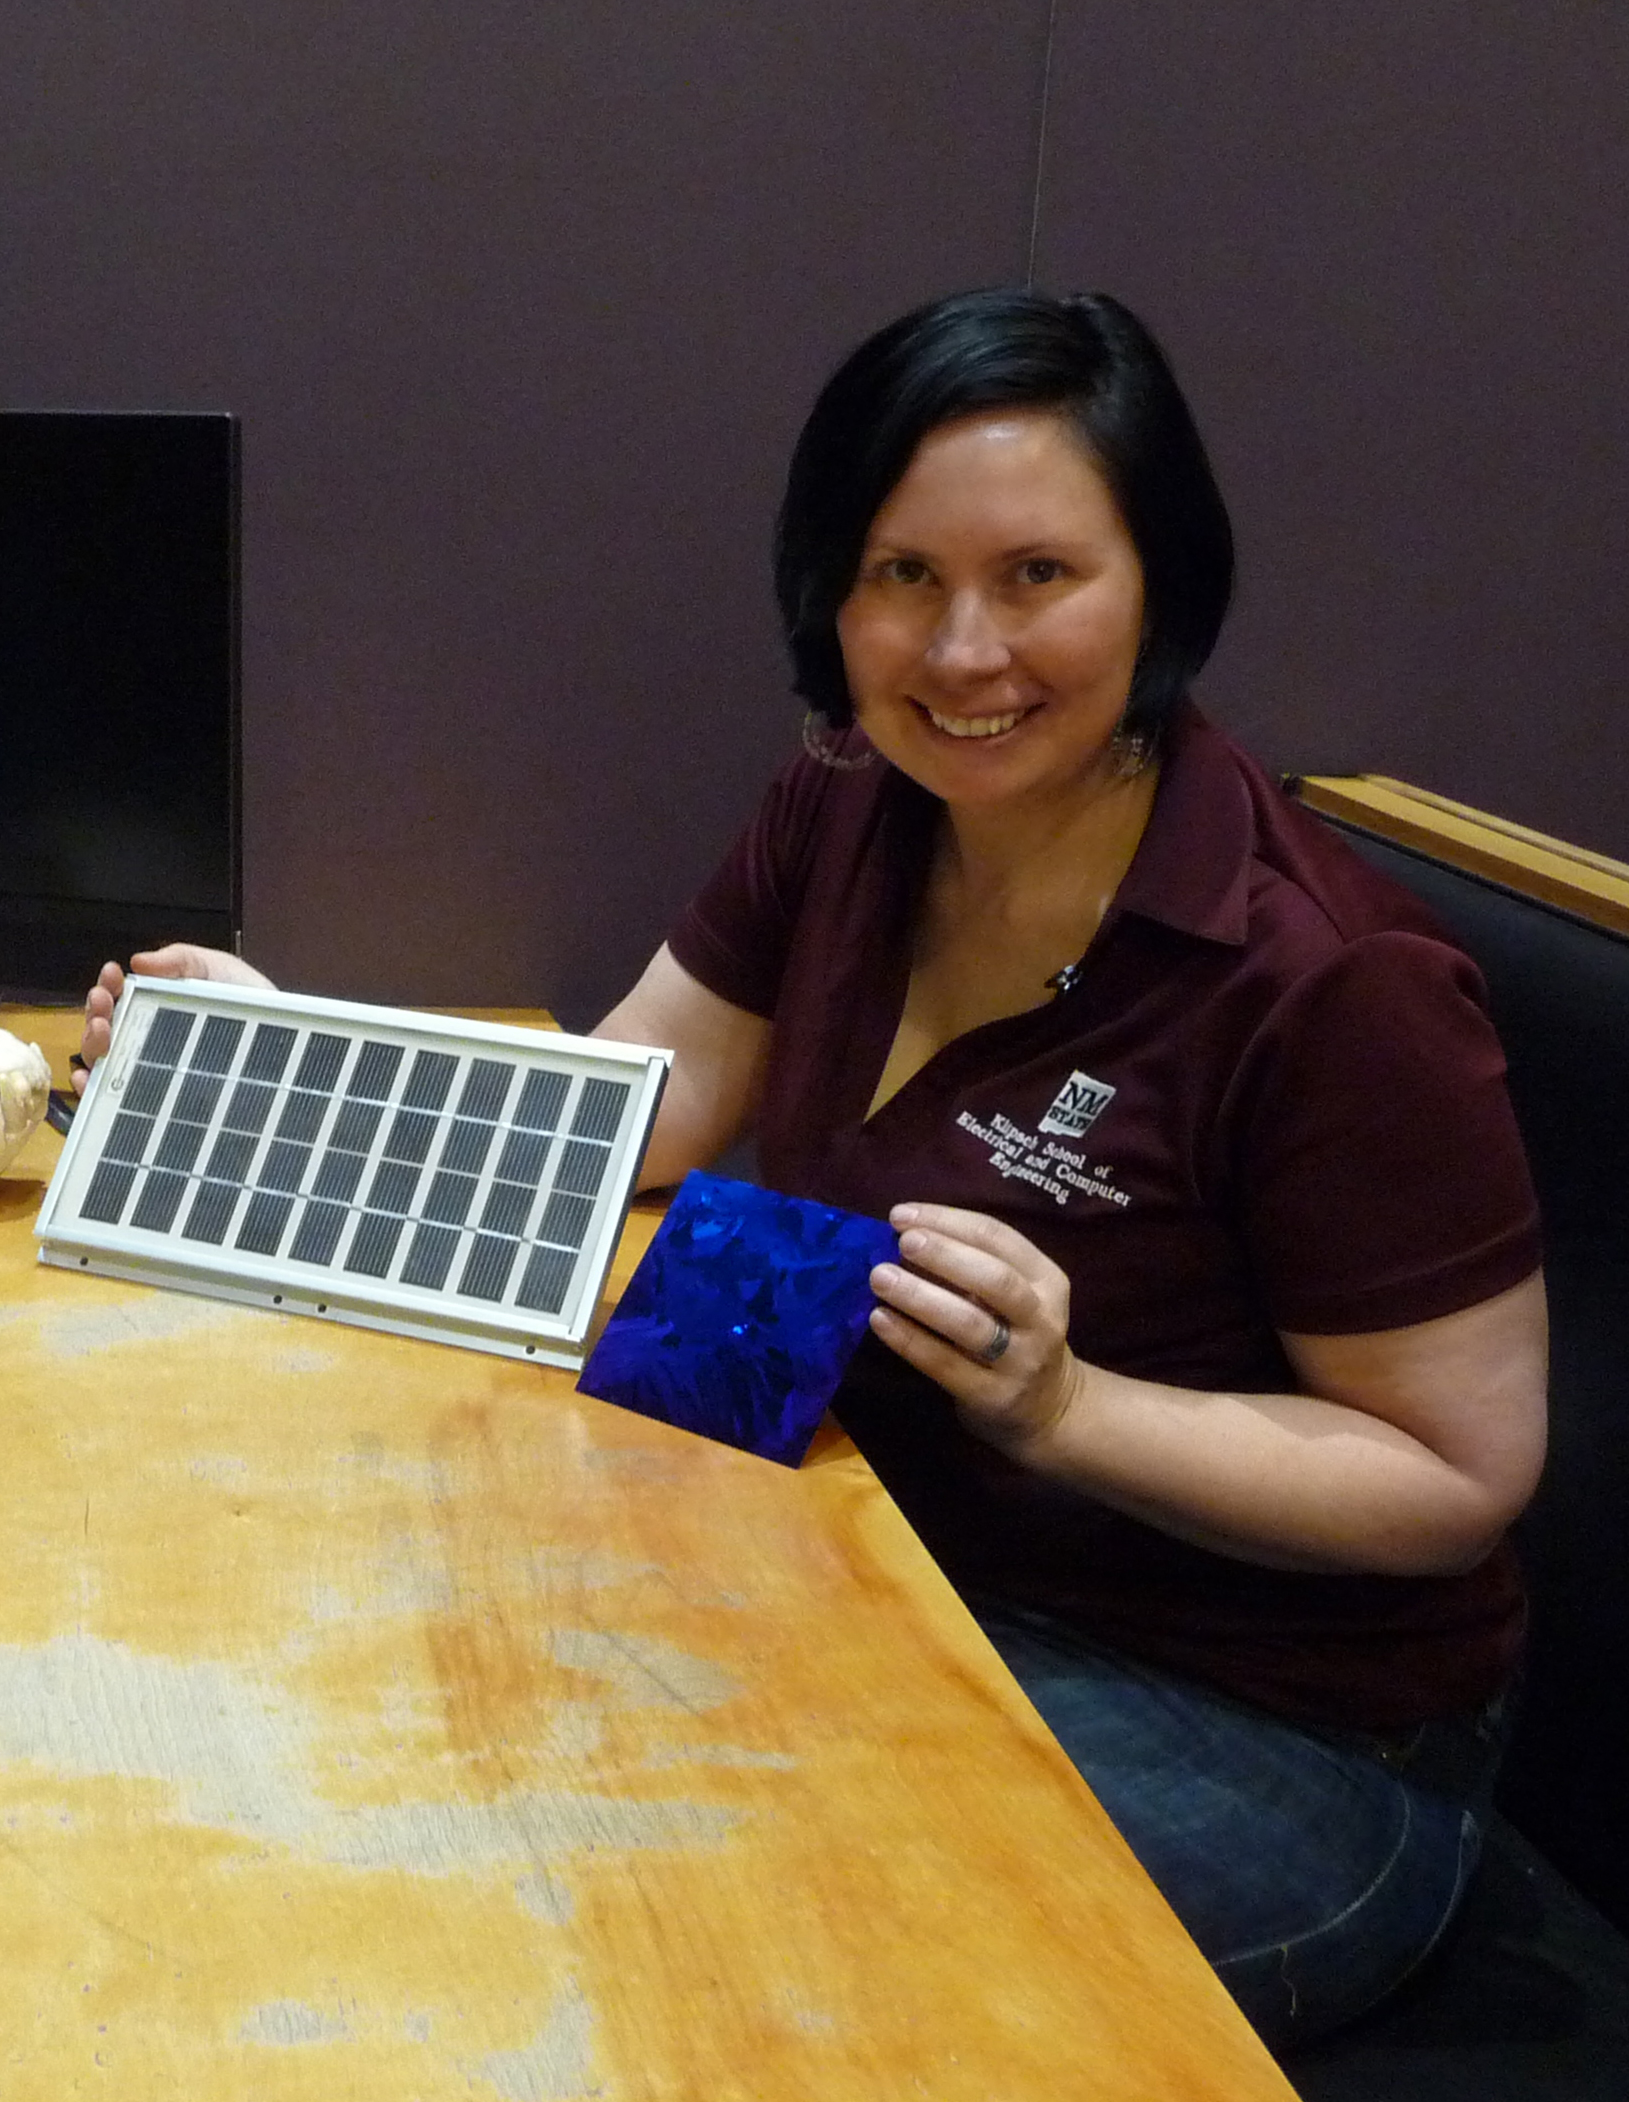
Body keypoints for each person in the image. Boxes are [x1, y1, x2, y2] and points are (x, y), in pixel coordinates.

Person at [80, 289, 1547, 2047]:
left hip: (1281, 1723)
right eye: (900, 575)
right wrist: (285, 1044)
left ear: (1161, 581)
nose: (961, 652)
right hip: (897, 1565)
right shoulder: (847, 808)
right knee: (407, 1719)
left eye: (1036, 576)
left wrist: (1067, 1406)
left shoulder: (1328, 978)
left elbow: (1454, 1472)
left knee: (705, 1936)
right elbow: (638, 1105)